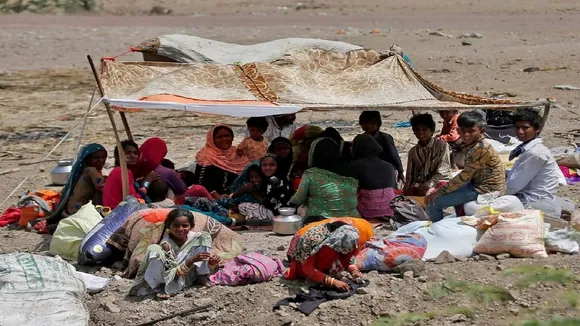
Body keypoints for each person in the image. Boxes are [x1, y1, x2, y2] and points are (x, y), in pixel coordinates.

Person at [425, 111, 505, 222]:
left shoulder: (480, 148)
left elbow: (464, 176)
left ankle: (435, 229)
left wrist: (439, 192)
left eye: (471, 131)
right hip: (475, 183)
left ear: (481, 131)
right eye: (462, 130)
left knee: (433, 202)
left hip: (485, 189)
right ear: (457, 131)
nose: (466, 135)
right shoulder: (472, 144)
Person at [129, 208, 217, 298]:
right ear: (168, 226)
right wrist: (191, 260)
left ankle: (201, 276)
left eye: (185, 226)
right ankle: (160, 286)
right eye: (176, 225)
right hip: (174, 276)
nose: (180, 229)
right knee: (154, 249)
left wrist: (211, 262)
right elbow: (170, 271)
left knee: (205, 236)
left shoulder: (197, 238)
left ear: (191, 226)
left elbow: (204, 258)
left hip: (190, 274)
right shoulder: (166, 244)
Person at [505, 108, 572, 218]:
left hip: (534, 202)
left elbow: (512, 186)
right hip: (531, 197)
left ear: (536, 129)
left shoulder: (536, 153)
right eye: (517, 128)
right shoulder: (530, 149)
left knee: (475, 206)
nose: (520, 132)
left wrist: (493, 194)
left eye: (525, 128)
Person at [285, 222, 366, 291]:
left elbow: (347, 256)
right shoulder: (312, 239)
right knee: (327, 251)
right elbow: (307, 268)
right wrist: (332, 282)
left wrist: (354, 270)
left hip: (324, 259)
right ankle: (322, 274)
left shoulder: (346, 235)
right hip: (303, 266)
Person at [289, 138, 359, 217]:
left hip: (320, 222)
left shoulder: (311, 173)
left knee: (301, 209)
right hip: (352, 220)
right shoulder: (351, 170)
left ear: (314, 153)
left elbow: (299, 199)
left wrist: (289, 202)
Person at [46, 143, 107, 226]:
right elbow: (104, 187)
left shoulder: (83, 170)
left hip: (68, 211)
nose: (101, 160)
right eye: (97, 158)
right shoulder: (92, 171)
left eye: (103, 157)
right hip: (77, 213)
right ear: (88, 159)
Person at [350, 134, 398, 219]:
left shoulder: (354, 166)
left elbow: (352, 191)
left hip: (367, 211)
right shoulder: (389, 166)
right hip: (390, 209)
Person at [193, 125, 250, 196]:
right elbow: (201, 183)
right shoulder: (205, 156)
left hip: (237, 195)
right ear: (212, 140)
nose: (224, 139)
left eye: (227, 136)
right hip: (211, 198)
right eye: (219, 137)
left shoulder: (239, 154)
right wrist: (218, 198)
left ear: (232, 138)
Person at [238, 154, 293, 224]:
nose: (267, 168)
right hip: (285, 212)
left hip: (276, 213)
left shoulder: (273, 180)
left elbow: (268, 204)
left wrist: (255, 195)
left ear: (278, 166)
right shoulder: (282, 177)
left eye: (272, 165)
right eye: (264, 165)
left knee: (243, 206)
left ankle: (264, 220)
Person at [405, 114, 452, 196]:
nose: (420, 133)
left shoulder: (442, 146)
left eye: (424, 129)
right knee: (409, 196)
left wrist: (429, 183)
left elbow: (443, 171)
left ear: (432, 130)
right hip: (422, 183)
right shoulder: (413, 152)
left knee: (429, 195)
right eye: (417, 130)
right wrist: (406, 191)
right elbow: (410, 176)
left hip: (440, 180)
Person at [103, 140, 159, 209]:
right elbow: (134, 199)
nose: (132, 156)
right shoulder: (122, 172)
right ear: (118, 157)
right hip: (117, 212)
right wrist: (146, 183)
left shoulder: (118, 170)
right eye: (128, 153)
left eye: (135, 153)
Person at [358, 111, 404, 183]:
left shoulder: (385, 138)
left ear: (378, 124)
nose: (369, 126)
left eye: (372, 124)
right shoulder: (360, 139)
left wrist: (400, 172)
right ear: (361, 124)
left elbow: (394, 156)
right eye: (366, 123)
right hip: (367, 173)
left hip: (385, 172)